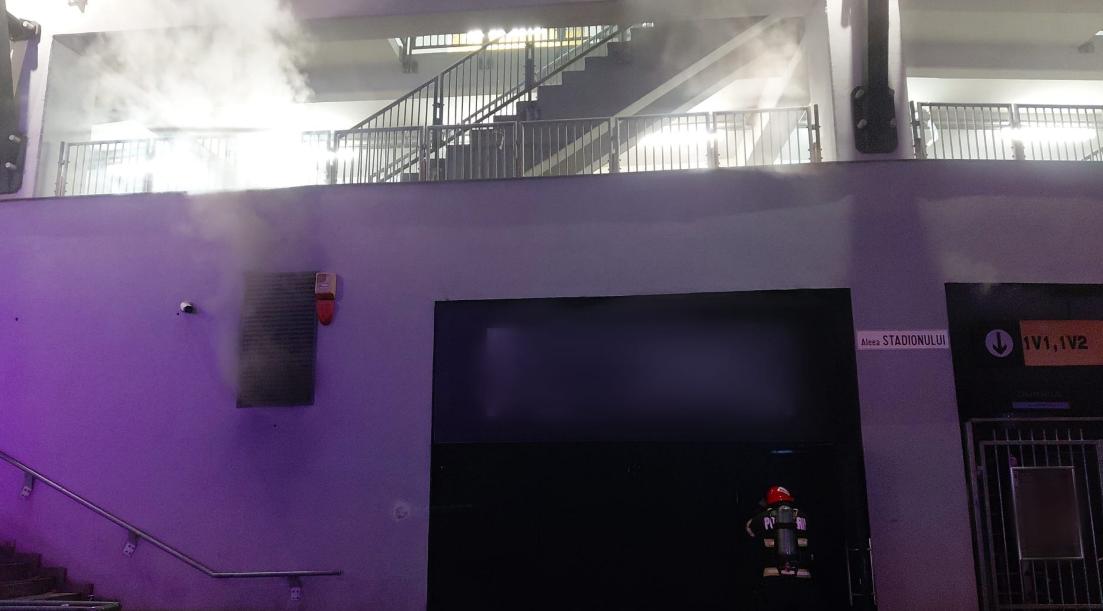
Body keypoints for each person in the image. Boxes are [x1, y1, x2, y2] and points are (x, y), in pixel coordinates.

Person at [744, 485, 817, 610]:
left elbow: (749, 531)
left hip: (773, 578)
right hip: (802, 577)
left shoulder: (760, 518)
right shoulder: (804, 517)